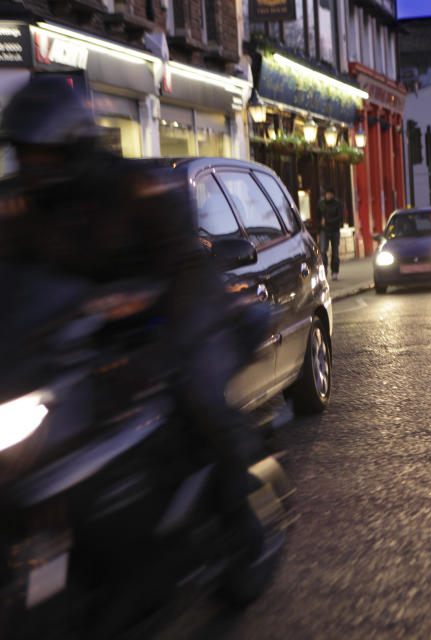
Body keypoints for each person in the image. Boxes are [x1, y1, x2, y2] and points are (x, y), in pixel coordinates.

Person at [0, 76, 263, 554]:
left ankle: (240, 514)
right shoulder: (20, 207)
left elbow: (182, 266)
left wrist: (154, 339)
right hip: (92, 330)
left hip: (176, 308)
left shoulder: (134, 188)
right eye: (23, 152)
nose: (30, 165)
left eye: (41, 154)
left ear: (71, 147)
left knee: (196, 392)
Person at [316, 186, 345, 280]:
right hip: (324, 230)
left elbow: (340, 218)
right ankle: (324, 271)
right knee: (323, 251)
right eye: (327, 194)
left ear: (333, 195)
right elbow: (318, 216)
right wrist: (319, 228)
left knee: (335, 252)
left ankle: (335, 271)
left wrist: (327, 221)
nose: (328, 195)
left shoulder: (337, 203)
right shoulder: (321, 203)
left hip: (335, 230)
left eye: (330, 194)